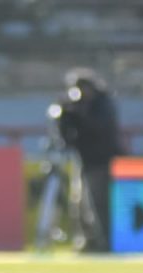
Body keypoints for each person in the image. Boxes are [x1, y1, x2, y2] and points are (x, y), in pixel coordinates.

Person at [50, 68, 125, 252]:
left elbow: (98, 129)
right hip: (83, 160)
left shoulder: (102, 105)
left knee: (98, 204)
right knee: (79, 203)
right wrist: (64, 116)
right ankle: (85, 241)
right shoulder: (79, 106)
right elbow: (67, 136)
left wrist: (77, 111)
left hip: (101, 161)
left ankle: (104, 242)